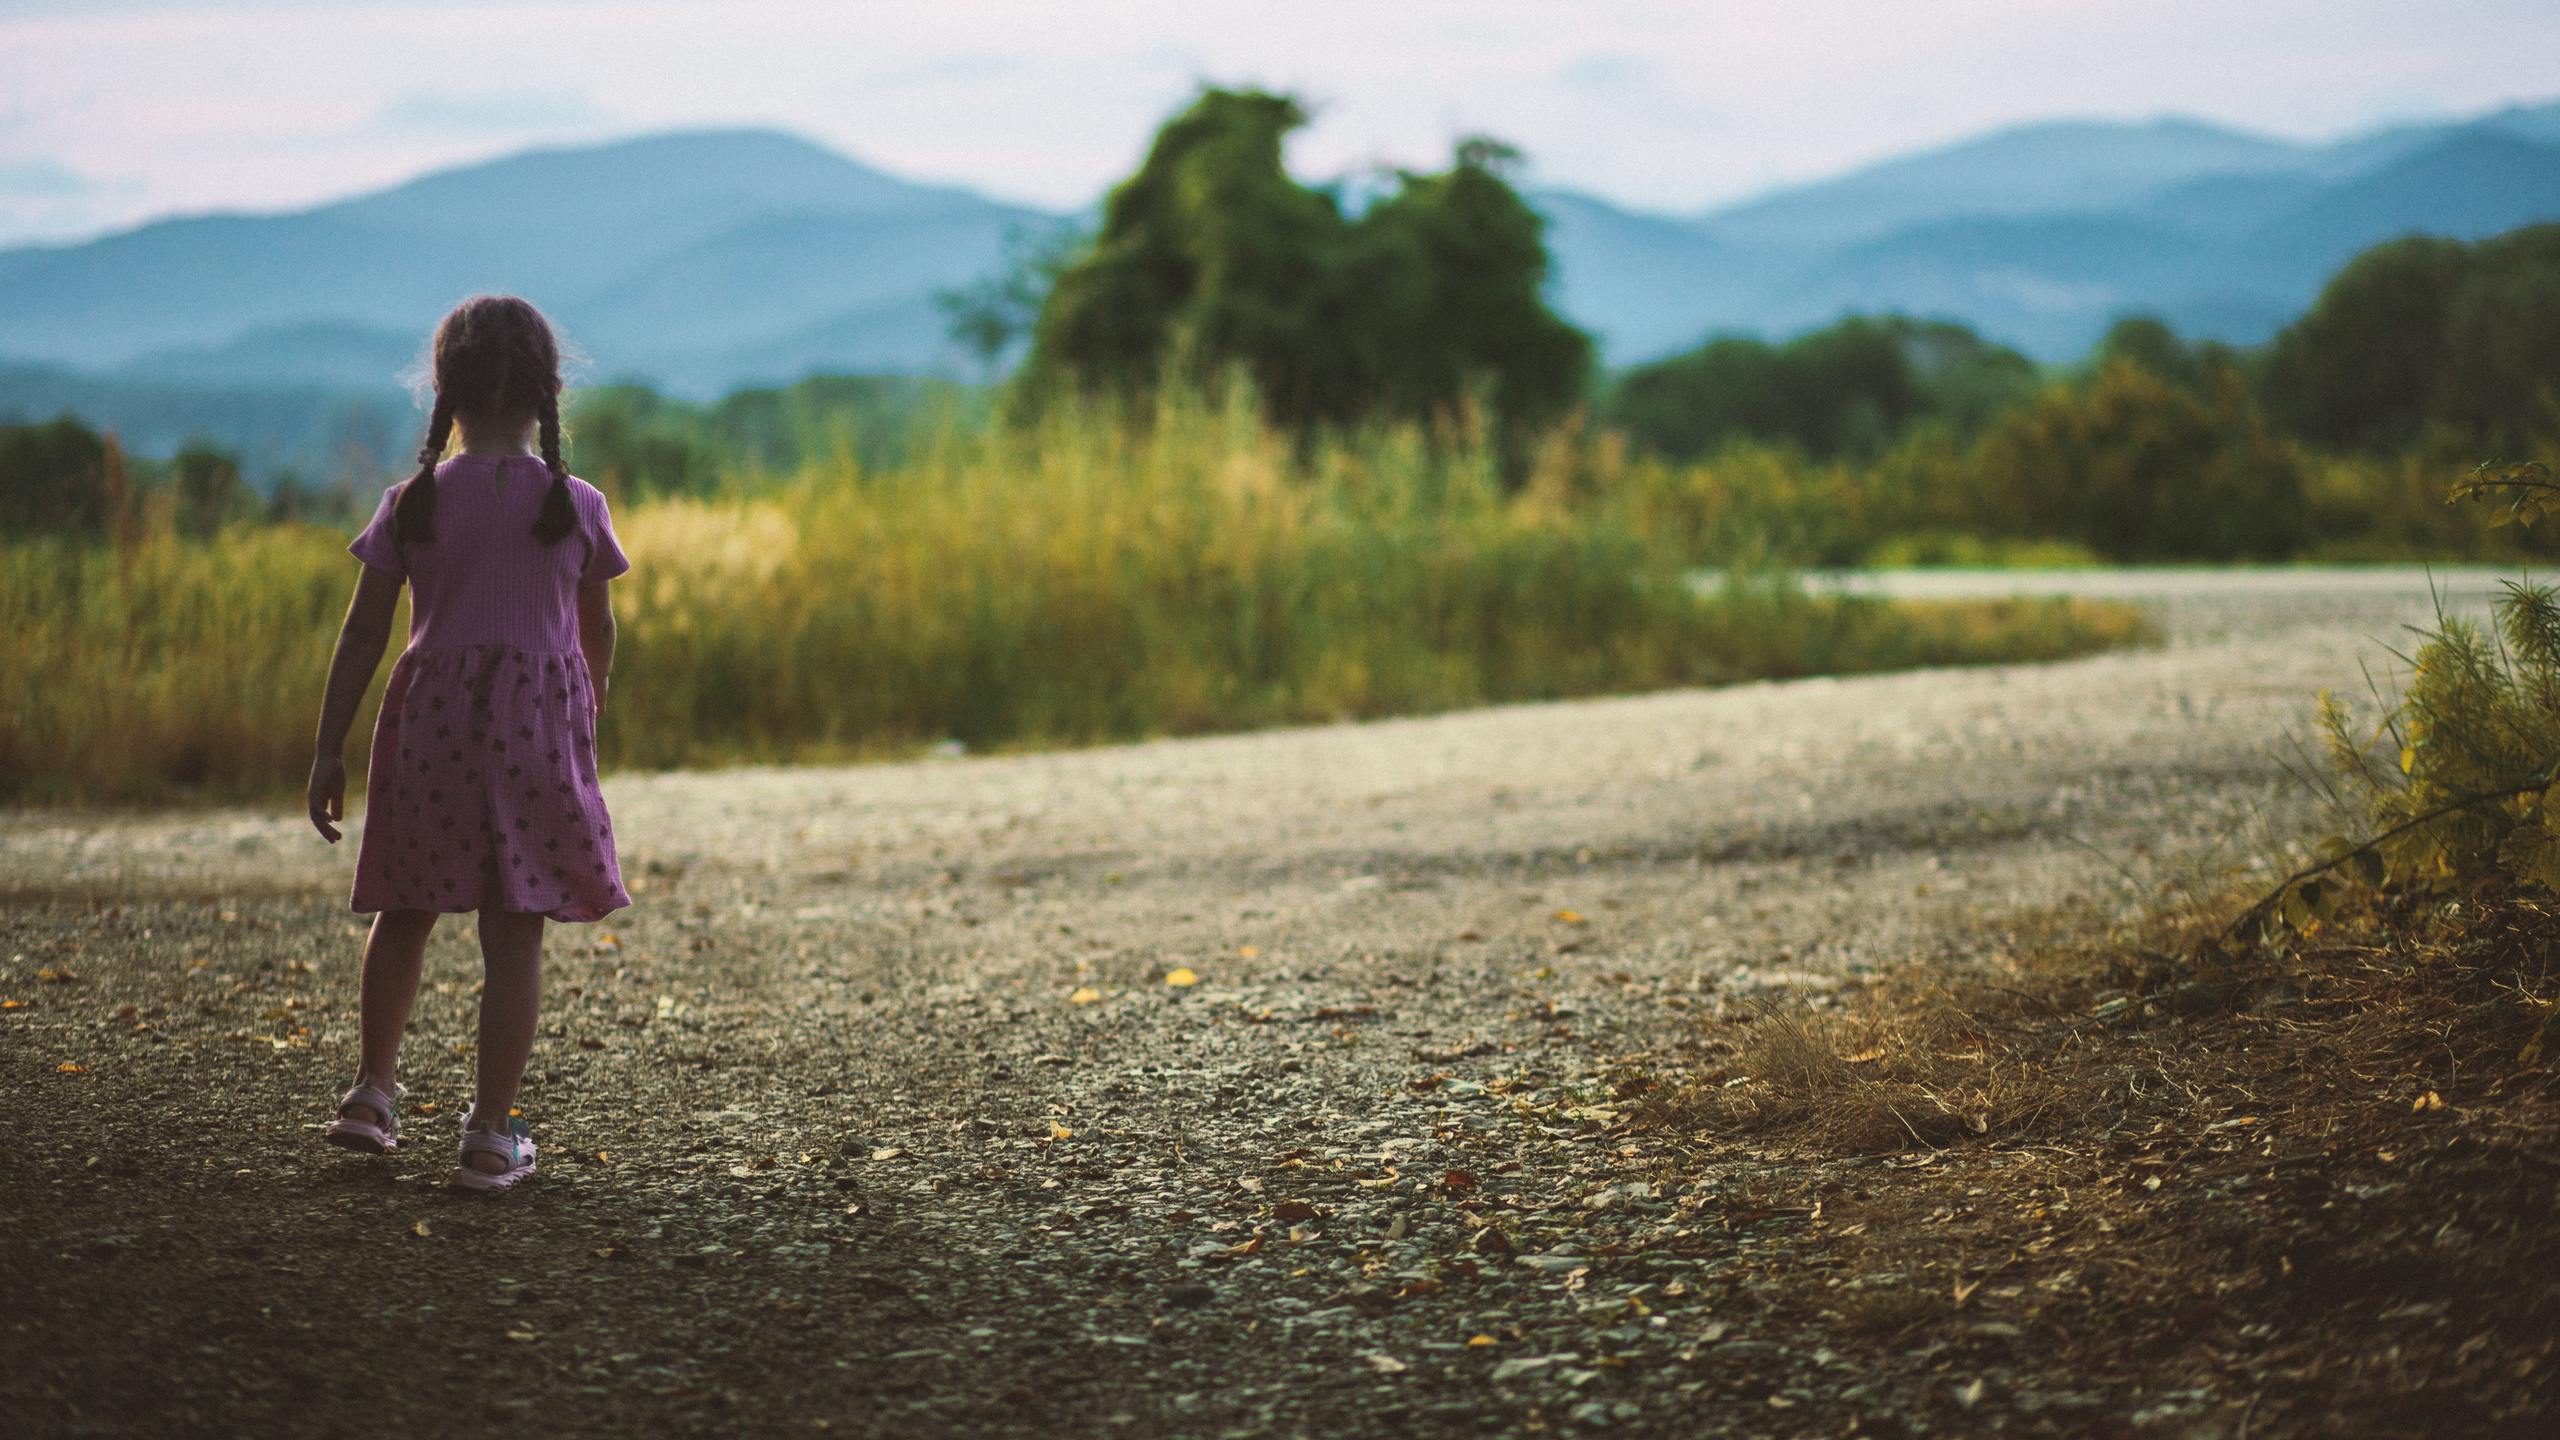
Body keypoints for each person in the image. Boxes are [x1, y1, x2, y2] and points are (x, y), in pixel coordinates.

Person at [305, 294, 630, 1192]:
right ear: (546, 392)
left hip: (431, 731)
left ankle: (372, 1094)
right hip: (535, 737)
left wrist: (329, 747)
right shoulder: (579, 504)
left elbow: (363, 635)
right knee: (514, 931)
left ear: (444, 389)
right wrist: (583, 720)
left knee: (403, 910)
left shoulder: (410, 503)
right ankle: (490, 1134)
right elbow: (596, 635)